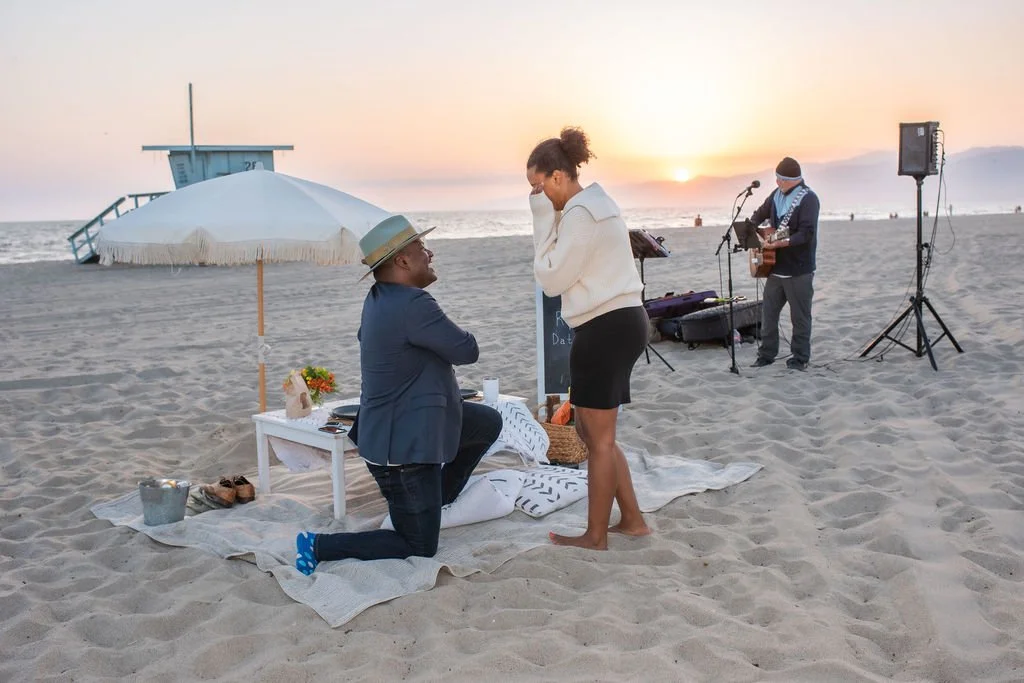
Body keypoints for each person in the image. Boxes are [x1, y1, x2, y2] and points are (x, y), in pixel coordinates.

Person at [295, 215, 502, 574]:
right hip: (402, 450)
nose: (430, 254)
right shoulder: (413, 304)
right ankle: (317, 544)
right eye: (422, 248)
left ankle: (437, 497)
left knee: (485, 422)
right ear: (403, 261)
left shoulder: (378, 298)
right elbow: (467, 350)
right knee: (419, 545)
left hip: (399, 426)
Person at [526, 126, 651, 550]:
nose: (536, 197)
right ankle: (632, 520)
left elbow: (550, 278)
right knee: (590, 430)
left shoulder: (580, 215)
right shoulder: (597, 204)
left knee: (598, 438)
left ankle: (595, 535)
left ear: (557, 177)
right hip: (618, 321)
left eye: (537, 187)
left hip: (606, 326)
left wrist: (541, 218)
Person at [747, 156, 820, 371]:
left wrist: (781, 243)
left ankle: (799, 358)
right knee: (768, 314)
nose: (777, 182)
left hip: (799, 269)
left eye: (780, 179)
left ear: (791, 179)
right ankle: (766, 355)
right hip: (775, 267)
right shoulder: (776, 194)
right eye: (776, 178)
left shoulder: (808, 199)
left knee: (800, 318)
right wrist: (752, 230)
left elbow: (806, 233)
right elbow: (759, 214)